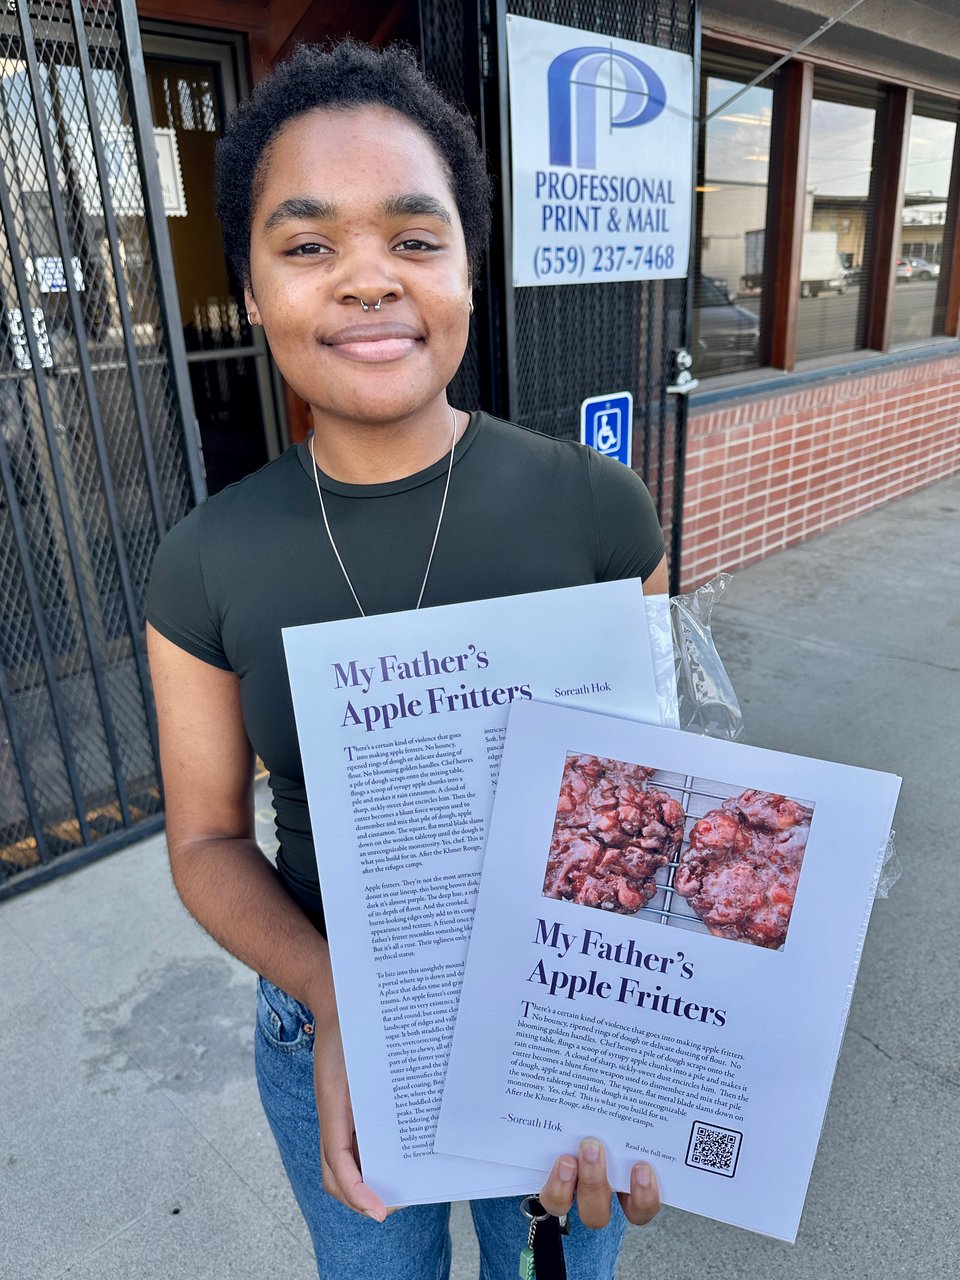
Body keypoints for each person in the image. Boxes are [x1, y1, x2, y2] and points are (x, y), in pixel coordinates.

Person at [146, 38, 667, 1279]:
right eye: (309, 242)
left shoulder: (599, 510)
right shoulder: (205, 558)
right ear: (256, 286)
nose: (368, 278)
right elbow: (206, 838)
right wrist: (335, 997)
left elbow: (654, 799)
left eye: (416, 239)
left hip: (563, 1008)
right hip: (326, 1018)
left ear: (470, 277)